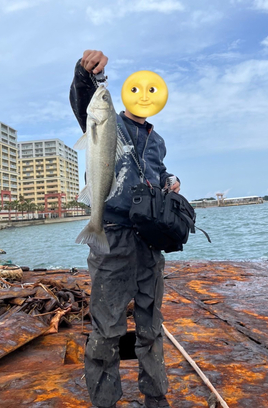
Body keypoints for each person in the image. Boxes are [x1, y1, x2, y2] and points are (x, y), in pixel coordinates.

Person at [70, 50, 180, 408]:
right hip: (112, 237)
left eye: (152, 92)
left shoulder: (158, 140)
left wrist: (170, 180)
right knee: (108, 326)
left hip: (150, 243)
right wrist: (86, 73)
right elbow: (84, 99)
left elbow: (155, 171)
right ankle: (105, 402)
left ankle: (155, 397)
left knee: (151, 324)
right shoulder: (107, 121)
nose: (145, 97)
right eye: (139, 90)